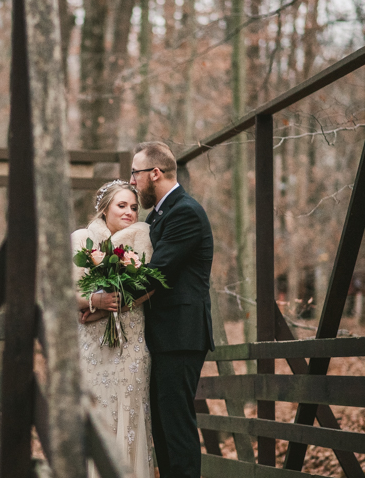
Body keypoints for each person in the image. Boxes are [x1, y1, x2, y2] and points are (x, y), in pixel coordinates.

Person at [130, 141, 214, 478]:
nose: (132, 181)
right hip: (163, 337)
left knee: (176, 428)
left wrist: (106, 301)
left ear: (155, 173)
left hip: (181, 335)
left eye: (135, 173)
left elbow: (158, 273)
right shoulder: (160, 214)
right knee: (163, 429)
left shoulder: (185, 212)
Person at [71, 180, 155, 478]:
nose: (130, 212)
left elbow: (149, 287)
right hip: (94, 348)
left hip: (131, 344)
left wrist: (110, 305)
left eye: (134, 207)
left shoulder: (143, 238)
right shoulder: (83, 239)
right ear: (105, 209)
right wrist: (96, 301)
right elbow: (66, 293)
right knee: (97, 416)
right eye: (122, 206)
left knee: (130, 419)